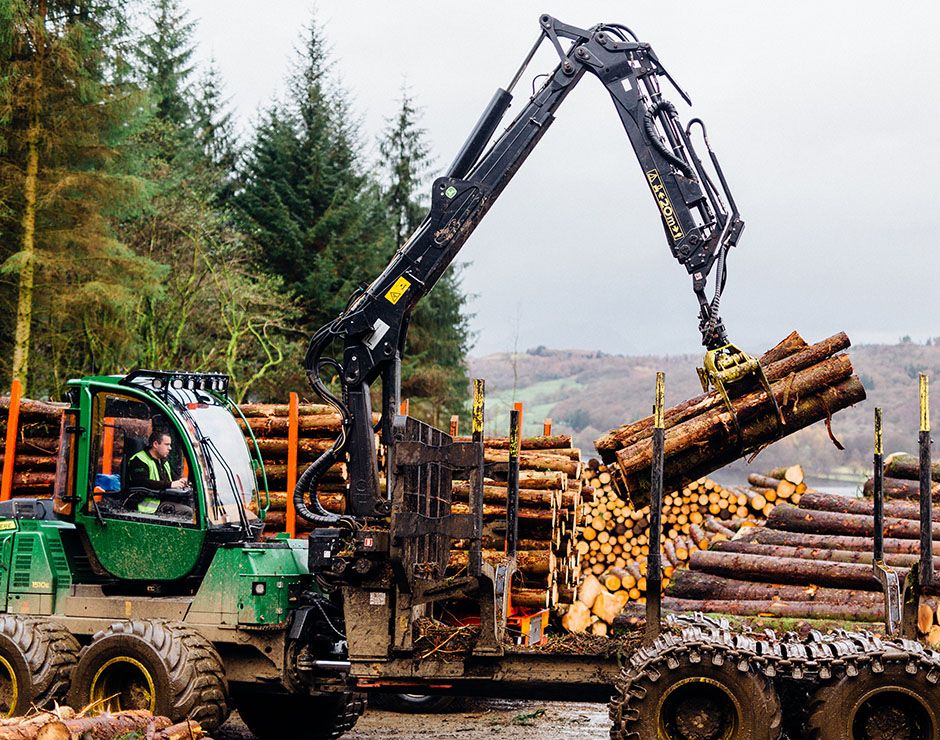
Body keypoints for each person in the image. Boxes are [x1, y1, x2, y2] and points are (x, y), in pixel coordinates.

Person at [126, 430, 190, 516]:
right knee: (188, 511)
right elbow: (142, 482)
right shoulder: (139, 460)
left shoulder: (163, 461)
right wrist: (170, 484)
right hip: (148, 504)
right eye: (167, 444)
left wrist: (181, 481)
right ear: (155, 444)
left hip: (163, 499)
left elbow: (173, 478)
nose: (170, 448)